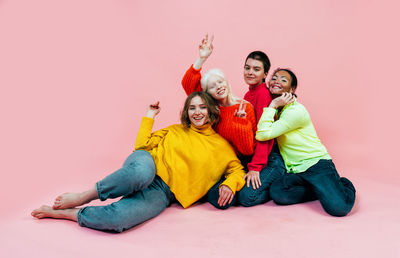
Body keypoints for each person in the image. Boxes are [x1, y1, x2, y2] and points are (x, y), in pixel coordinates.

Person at [31, 92, 246, 232]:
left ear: (211, 111)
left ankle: (68, 214)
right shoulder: (176, 130)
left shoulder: (221, 147)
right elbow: (142, 146)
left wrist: (229, 183)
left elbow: (237, 169)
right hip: (147, 162)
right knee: (141, 174)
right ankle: (85, 196)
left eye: (202, 107)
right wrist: (149, 116)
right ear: (187, 113)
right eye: (192, 108)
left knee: (118, 221)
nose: (197, 112)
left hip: (163, 192)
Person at [256, 68, 356, 216]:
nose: (277, 81)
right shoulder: (278, 111)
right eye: (274, 77)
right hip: (296, 170)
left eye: (283, 80)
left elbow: (263, 134)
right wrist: (274, 107)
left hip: (316, 165)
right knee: (277, 192)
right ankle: (319, 190)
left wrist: (272, 105)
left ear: (292, 89)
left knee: (339, 208)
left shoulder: (295, 111)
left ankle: (343, 184)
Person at [181, 35, 257, 209]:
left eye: (221, 82)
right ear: (207, 93)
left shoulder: (245, 107)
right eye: (213, 86)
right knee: (213, 196)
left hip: (240, 164)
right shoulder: (211, 109)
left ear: (227, 83)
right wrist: (202, 58)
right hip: (217, 163)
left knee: (234, 199)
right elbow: (188, 86)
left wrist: (241, 124)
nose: (219, 87)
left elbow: (248, 150)